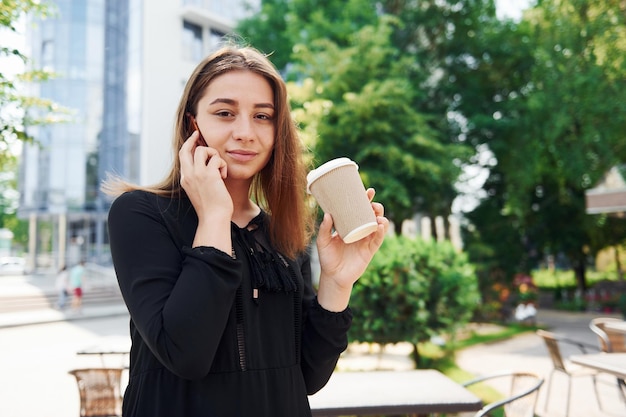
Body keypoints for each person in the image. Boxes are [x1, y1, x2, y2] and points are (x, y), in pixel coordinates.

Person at [103, 44, 389, 417]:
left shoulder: (283, 233)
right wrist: (214, 216)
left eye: (262, 116)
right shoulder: (141, 214)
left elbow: (307, 377)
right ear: (194, 124)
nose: (245, 132)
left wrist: (337, 283)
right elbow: (184, 354)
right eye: (225, 113)